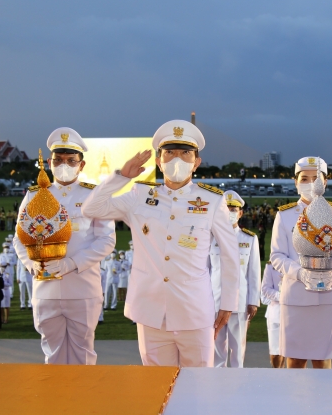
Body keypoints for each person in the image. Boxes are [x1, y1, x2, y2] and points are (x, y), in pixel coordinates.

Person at [82, 120, 239, 367]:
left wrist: (228, 304)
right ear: (159, 161)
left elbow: (230, 256)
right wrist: (122, 176)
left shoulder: (211, 201)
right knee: (155, 389)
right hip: (150, 311)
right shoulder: (139, 196)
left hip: (194, 312)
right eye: (170, 153)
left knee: (199, 386)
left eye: (185, 153)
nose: (177, 159)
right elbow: (92, 208)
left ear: (196, 163)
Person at [13, 128, 116, 365]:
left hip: (82, 288)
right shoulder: (34, 195)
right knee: (53, 354)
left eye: (71, 160)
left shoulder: (95, 196)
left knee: (83, 353)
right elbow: (19, 237)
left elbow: (107, 240)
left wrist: (71, 263)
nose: (64, 165)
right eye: (58, 160)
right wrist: (31, 264)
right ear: (49, 162)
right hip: (45, 288)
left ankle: (83, 402)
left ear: (82, 165)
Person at [271, 157, 332, 369]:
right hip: (296, 295)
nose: (309, 183)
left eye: (316, 178)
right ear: (295, 182)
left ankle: (323, 403)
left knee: (322, 360)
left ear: (325, 183)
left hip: (329, 295)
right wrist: (300, 273)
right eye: (304, 178)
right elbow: (276, 256)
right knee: (295, 361)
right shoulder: (285, 215)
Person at [211, 190, 261, 368]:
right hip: (215, 301)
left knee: (237, 350)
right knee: (216, 350)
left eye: (234, 209)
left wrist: (253, 301)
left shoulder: (249, 239)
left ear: (240, 213)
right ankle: (217, 386)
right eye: (227, 209)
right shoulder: (210, 237)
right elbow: (206, 271)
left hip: (239, 303)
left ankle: (237, 385)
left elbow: (254, 273)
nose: (230, 212)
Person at [260, 262, 284, 368]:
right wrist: (284, 296)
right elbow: (265, 290)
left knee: (295, 353)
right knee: (276, 351)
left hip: (296, 314)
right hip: (276, 314)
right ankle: (277, 376)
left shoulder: (300, 261)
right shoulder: (271, 266)